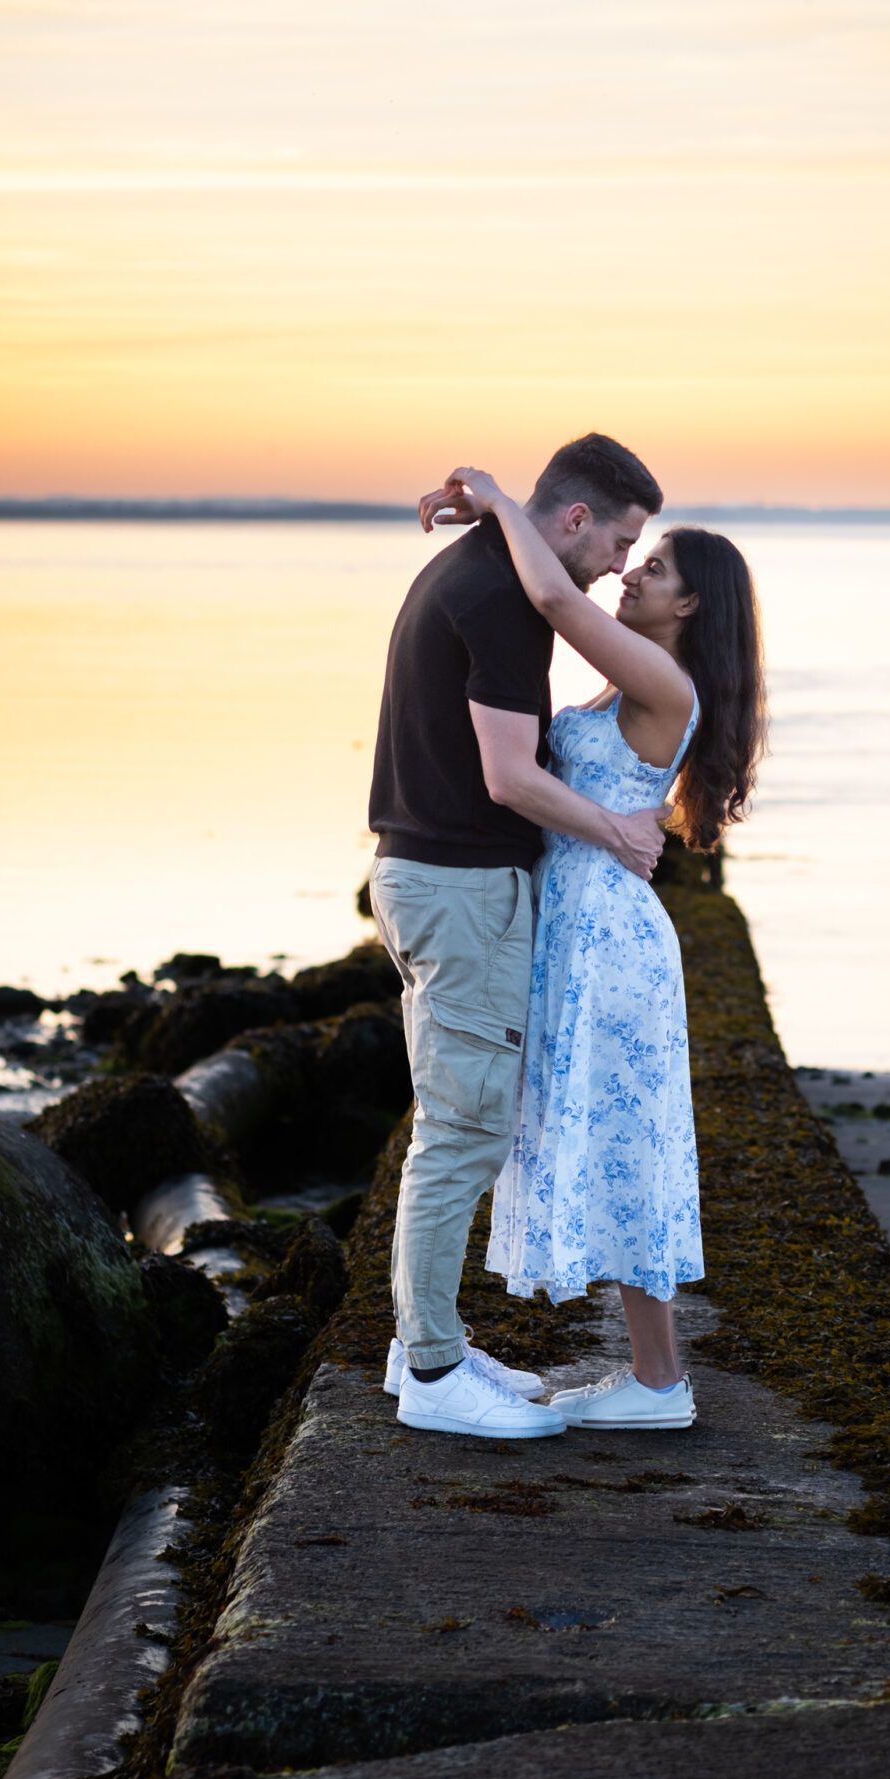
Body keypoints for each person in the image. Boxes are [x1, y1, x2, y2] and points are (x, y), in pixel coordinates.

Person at [418, 466, 766, 1430]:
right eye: (634, 558)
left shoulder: (665, 682)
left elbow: (553, 594)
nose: (631, 575)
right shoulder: (629, 676)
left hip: (608, 937)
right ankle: (655, 1380)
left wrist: (494, 497)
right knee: (616, 1145)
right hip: (580, 926)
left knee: (630, 1148)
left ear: (691, 601)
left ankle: (662, 1385)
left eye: (651, 568)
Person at [368, 434, 669, 1440]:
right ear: (575, 519)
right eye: (623, 540)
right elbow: (508, 776)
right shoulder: (499, 598)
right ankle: (433, 1369)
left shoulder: (474, 571)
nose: (624, 564)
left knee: (454, 1122)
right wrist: (617, 829)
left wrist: (495, 499)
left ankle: (428, 1341)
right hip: (458, 888)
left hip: (427, 878)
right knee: (462, 1134)